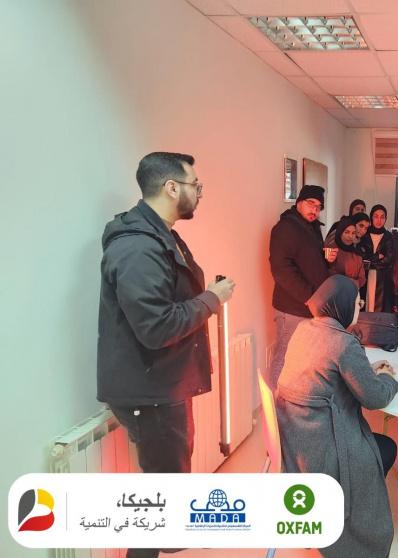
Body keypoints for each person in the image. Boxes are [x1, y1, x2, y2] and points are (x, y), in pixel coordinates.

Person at [97, 152, 236, 558]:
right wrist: (212, 298)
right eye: (196, 185)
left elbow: (168, 301)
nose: (200, 193)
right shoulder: (137, 247)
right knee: (156, 507)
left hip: (164, 385)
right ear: (171, 188)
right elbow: (156, 327)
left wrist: (206, 297)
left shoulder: (162, 234)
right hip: (151, 392)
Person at [276, 275, 398, 558]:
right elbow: (375, 398)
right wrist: (386, 377)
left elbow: (324, 373)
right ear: (341, 305)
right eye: (357, 302)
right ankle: (354, 523)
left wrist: (366, 370)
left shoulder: (304, 329)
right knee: (387, 448)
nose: (360, 305)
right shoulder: (343, 343)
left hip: (298, 443)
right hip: (324, 449)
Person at [268, 184, 335, 390]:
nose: (315, 209)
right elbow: (281, 269)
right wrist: (310, 297)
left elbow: (309, 262)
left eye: (319, 206)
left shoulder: (312, 228)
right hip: (292, 308)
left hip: (310, 307)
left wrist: (327, 259)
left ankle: (294, 401)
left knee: (302, 357)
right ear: (299, 202)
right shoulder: (285, 228)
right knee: (283, 356)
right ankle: (275, 404)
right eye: (310, 203)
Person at [359, 204, 395, 312]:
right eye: (376, 216)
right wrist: (376, 257)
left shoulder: (389, 237)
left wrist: (369, 263)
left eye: (382, 217)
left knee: (379, 308)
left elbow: (388, 260)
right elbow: (361, 256)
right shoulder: (364, 235)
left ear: (385, 219)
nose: (379, 220)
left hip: (383, 279)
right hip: (364, 276)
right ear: (371, 217)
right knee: (365, 305)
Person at [324, 216, 366, 289]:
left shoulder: (357, 254)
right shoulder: (331, 250)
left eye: (353, 233)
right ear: (340, 232)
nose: (350, 236)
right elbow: (326, 272)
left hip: (351, 292)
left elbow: (362, 279)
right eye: (347, 232)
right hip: (332, 291)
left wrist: (353, 283)